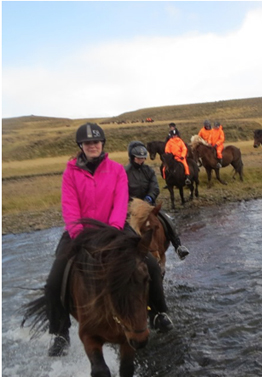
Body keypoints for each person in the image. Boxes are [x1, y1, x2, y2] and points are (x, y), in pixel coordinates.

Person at [44, 124, 173, 357]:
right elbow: (70, 207)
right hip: (80, 232)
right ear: (81, 147)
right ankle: (60, 331)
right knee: (54, 280)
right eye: (87, 143)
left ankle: (158, 312)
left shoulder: (115, 170)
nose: (92, 146)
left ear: (102, 144)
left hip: (114, 228)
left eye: (96, 142)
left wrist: (112, 232)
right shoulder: (70, 172)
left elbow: (120, 200)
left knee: (151, 265)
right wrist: (80, 235)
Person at [125, 141, 190, 260]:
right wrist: (131, 203)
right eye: (138, 158)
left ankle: (178, 246)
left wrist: (150, 197)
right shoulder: (124, 172)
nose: (141, 161)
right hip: (131, 208)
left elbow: (155, 186)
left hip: (149, 205)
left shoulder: (148, 170)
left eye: (143, 158)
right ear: (132, 157)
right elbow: (121, 190)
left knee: (167, 220)